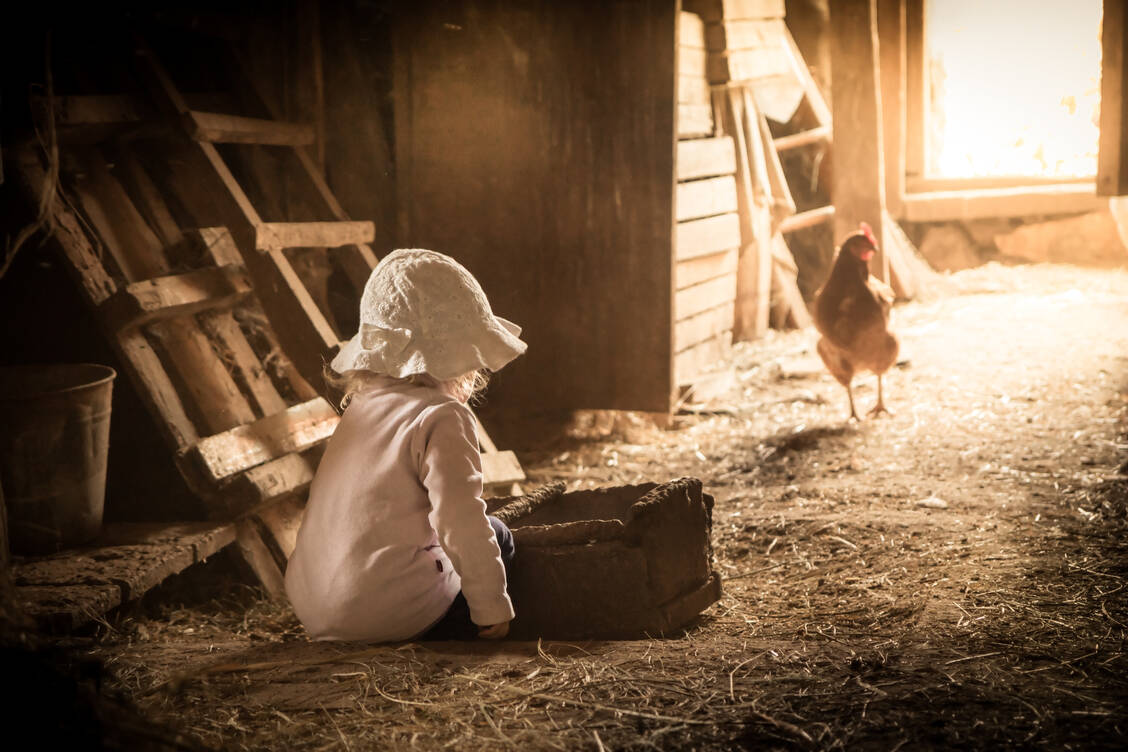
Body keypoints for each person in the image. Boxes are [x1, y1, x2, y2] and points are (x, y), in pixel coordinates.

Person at [284, 249, 527, 642]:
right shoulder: (443, 416)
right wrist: (491, 607)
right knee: (497, 534)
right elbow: (461, 521)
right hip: (388, 614)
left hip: (315, 612)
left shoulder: (360, 410)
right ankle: (482, 630)